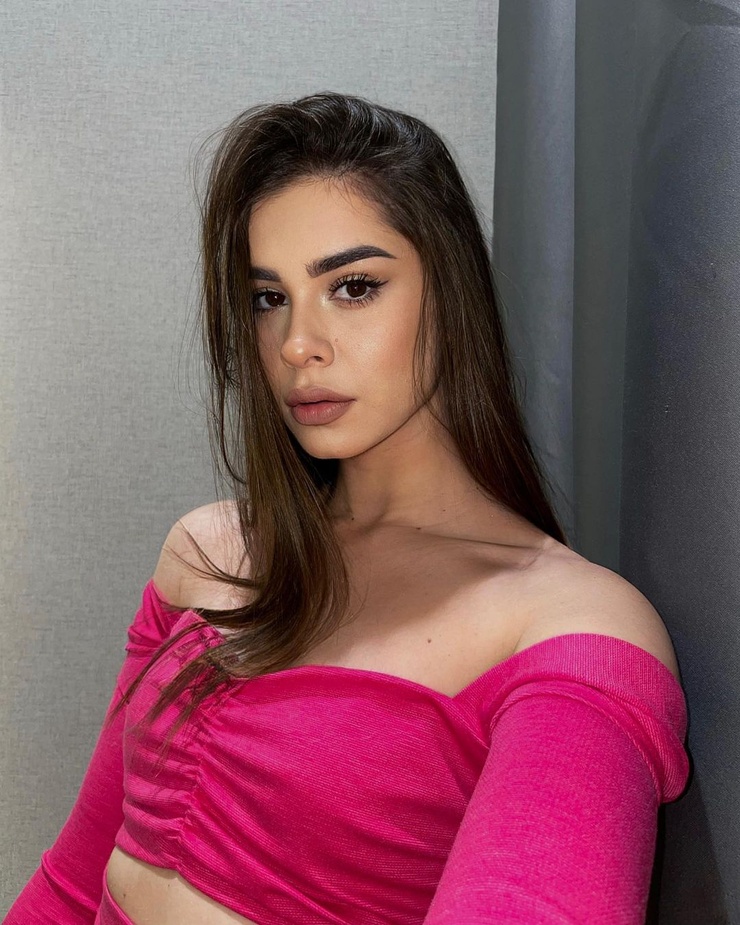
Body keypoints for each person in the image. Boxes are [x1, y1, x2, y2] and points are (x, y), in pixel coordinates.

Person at [4, 91, 689, 925]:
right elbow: (73, 882)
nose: (298, 344)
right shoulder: (208, 550)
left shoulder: (570, 629)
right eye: (269, 297)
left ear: (451, 292)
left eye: (354, 287)